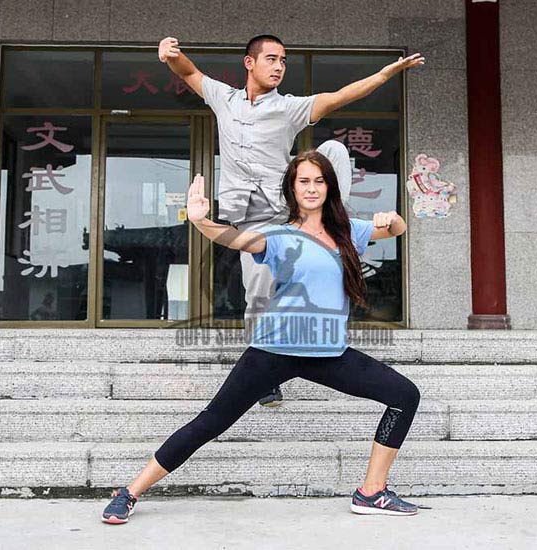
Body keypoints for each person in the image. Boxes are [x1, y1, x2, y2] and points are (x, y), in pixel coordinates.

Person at [101, 150, 420, 524]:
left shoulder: (348, 230)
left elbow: (397, 230)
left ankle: (371, 491)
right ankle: (130, 491)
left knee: (404, 396)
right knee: (211, 421)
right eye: (304, 181)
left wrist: (392, 217)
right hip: (273, 349)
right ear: (292, 188)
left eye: (319, 180)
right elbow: (236, 240)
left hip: (329, 352)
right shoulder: (280, 235)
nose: (312, 188)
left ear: (329, 186)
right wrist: (201, 220)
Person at [159, 34, 424, 405]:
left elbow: (340, 97)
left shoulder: (289, 108)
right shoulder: (224, 99)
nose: (280, 66)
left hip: (283, 210)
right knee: (258, 293)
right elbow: (189, 73)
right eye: (271, 59)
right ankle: (263, 375)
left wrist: (384, 74)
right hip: (247, 218)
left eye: (284, 60)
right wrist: (170, 55)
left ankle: (334, 222)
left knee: (331, 151)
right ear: (250, 63)